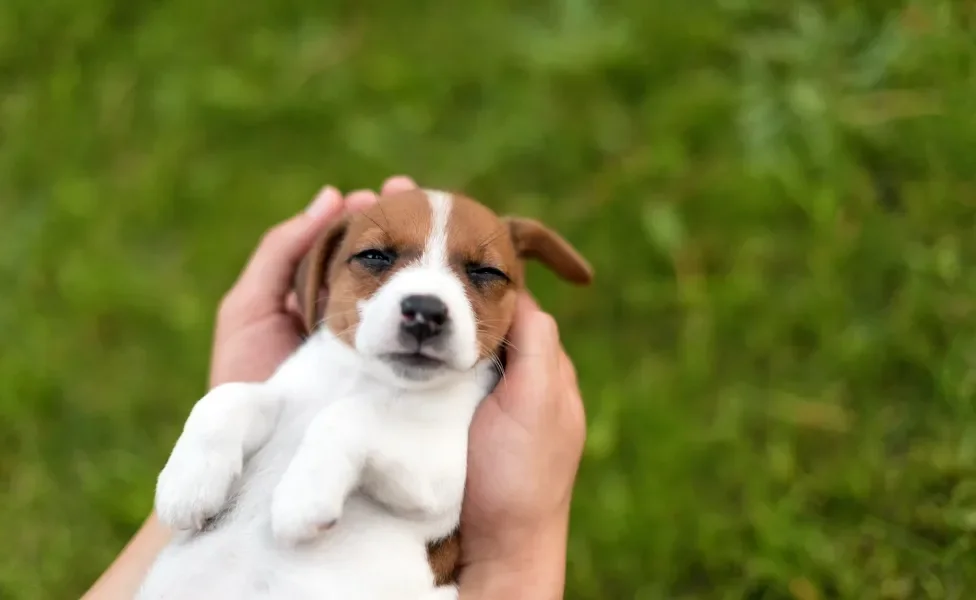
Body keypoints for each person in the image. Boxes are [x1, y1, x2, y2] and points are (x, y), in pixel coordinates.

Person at [82, 175, 587, 600]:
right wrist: (221, 416)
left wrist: (348, 437)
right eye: (375, 259)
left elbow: (436, 494)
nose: (427, 304)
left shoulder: (469, 405)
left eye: (481, 273)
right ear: (318, 278)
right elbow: (265, 410)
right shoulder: (312, 366)